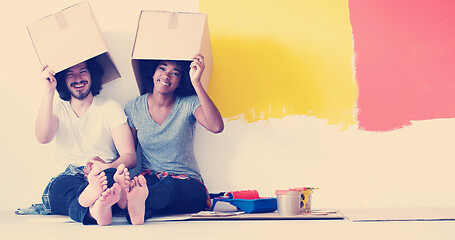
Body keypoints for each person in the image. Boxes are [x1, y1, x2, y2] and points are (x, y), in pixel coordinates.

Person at [16, 58, 136, 226]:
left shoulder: (110, 108)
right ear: (64, 80)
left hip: (103, 172)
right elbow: (43, 137)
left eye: (82, 71)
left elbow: (130, 156)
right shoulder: (57, 108)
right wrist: (48, 92)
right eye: (71, 74)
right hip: (69, 176)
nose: (78, 78)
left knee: (109, 180)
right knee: (58, 190)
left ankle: (95, 205)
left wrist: (106, 167)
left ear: (92, 75)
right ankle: (100, 206)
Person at [124, 53, 224, 225]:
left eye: (175, 73)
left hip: (186, 183)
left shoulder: (189, 103)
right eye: (162, 68)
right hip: (150, 179)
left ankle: (140, 202)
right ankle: (137, 207)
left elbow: (216, 127)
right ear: (153, 73)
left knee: (168, 187)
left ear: (180, 81)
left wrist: (196, 82)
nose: (166, 75)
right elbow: (130, 154)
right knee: (149, 187)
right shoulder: (134, 107)